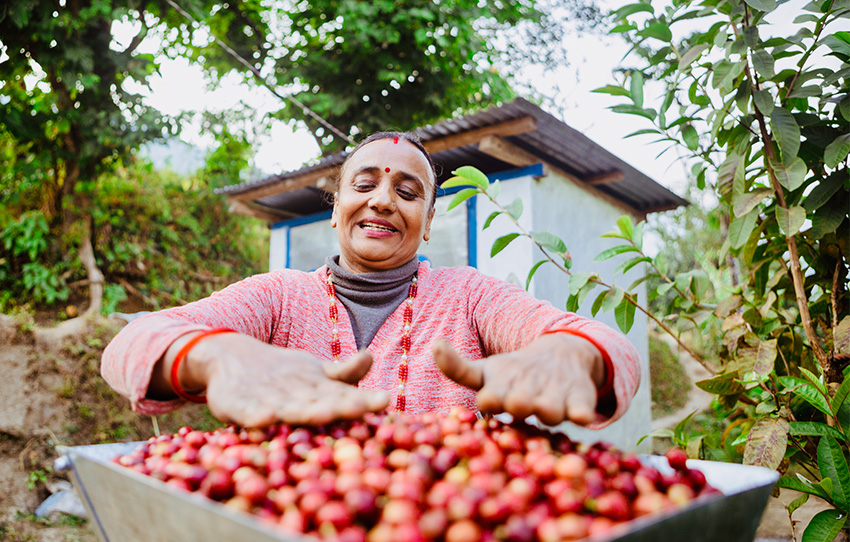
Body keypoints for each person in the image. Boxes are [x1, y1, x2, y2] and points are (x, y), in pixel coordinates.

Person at [101, 132, 640, 430]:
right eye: (364, 185)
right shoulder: (276, 295)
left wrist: (575, 355)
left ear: (428, 224)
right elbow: (132, 343)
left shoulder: (471, 295)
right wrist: (212, 356)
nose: (383, 199)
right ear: (335, 210)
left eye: (408, 193)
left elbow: (607, 345)